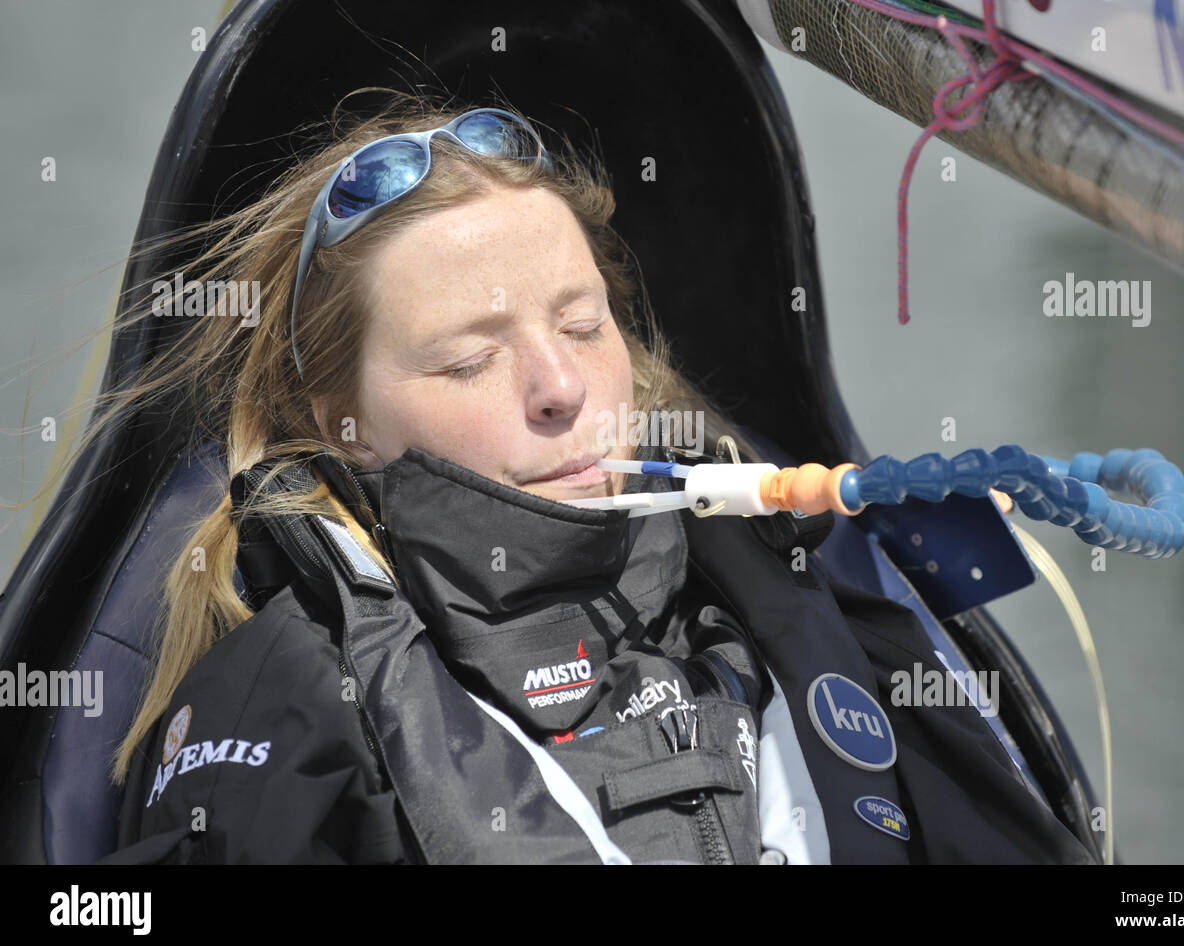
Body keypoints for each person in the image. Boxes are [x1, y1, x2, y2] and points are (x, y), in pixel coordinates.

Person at [94, 91, 1094, 864]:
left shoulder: (820, 585)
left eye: (582, 325)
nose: (563, 386)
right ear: (339, 423)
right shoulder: (281, 716)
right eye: (467, 360)